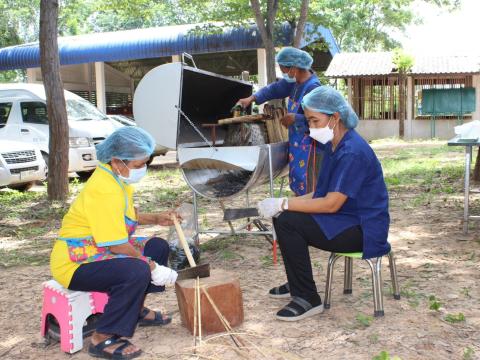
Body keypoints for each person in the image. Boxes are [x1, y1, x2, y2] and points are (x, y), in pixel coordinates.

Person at [257, 86, 391, 321]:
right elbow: (319, 193)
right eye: (308, 121)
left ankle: (307, 298)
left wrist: (285, 204)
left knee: (288, 220)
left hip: (364, 229)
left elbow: (330, 204)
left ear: (335, 118)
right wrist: (283, 203)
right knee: (284, 217)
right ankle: (298, 282)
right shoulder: (335, 146)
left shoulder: (352, 152)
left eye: (314, 120)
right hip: (347, 218)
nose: (310, 128)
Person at [50, 126, 179, 359]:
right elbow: (117, 245)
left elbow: (125, 215)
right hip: (75, 262)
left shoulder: (116, 179)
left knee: (156, 246)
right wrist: (152, 267)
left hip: (96, 249)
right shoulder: (104, 189)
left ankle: (135, 309)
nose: (143, 169)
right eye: (139, 165)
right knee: (137, 269)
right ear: (119, 161)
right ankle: (103, 337)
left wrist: (157, 218)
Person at [237, 47, 322, 196]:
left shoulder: (313, 88)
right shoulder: (295, 84)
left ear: (294, 68)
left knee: (310, 184)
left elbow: (321, 121)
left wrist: (296, 118)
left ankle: (310, 213)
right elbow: (275, 89)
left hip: (310, 146)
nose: (284, 75)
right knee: (298, 182)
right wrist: (251, 98)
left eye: (285, 71)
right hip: (296, 143)